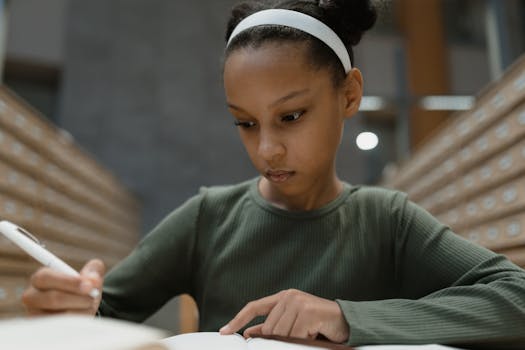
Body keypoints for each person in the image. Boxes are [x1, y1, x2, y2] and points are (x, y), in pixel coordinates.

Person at [22, 0, 525, 347]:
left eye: (290, 116)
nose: (267, 149)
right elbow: (103, 311)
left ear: (348, 94)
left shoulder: (386, 220)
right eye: (245, 122)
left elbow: (515, 298)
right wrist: (68, 305)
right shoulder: (209, 217)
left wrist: (349, 318)